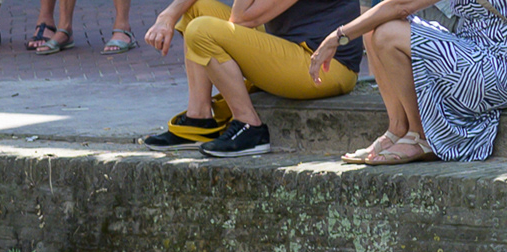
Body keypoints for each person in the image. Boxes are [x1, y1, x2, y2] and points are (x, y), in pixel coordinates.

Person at [140, 0, 360, 155]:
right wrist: (167, 16)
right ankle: (199, 119)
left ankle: (249, 126)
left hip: (325, 68)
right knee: (196, 10)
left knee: (201, 30)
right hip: (291, 46)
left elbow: (242, 18)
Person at [310, 0, 506, 163]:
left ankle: (421, 135)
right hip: (475, 49)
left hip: (497, 65)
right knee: (372, 28)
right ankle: (397, 129)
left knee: (387, 32)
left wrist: (337, 37)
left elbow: (401, 6)